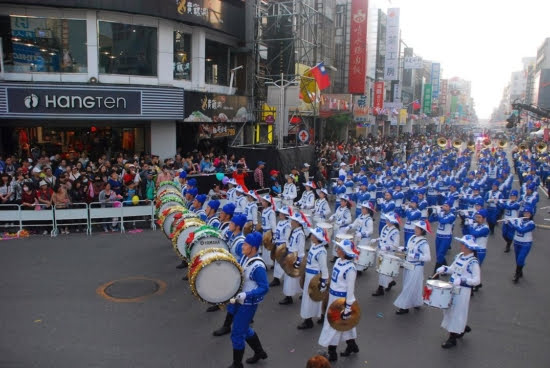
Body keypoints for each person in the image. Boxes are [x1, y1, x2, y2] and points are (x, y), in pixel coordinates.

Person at [226, 232, 269, 368]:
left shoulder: (258, 267)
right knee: (244, 330)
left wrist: (247, 294)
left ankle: (237, 364)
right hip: (239, 300)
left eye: (246, 245)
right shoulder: (245, 257)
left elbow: (264, 287)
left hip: (248, 304)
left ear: (254, 248)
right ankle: (259, 351)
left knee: (237, 333)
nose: (243, 246)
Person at [318, 239, 359, 363]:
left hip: (341, 301)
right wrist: (325, 286)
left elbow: (350, 291)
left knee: (333, 324)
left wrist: (347, 308)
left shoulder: (350, 268)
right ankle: (352, 345)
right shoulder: (338, 262)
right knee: (344, 325)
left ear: (345, 252)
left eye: (340, 248)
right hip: (332, 297)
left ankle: (332, 352)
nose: (337, 249)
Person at [436, 235, 481, 349]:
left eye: (463, 244)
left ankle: (452, 338)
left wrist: (463, 280)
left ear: (469, 247)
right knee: (448, 309)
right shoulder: (460, 256)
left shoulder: (473, 262)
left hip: (462, 291)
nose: (461, 245)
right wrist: (445, 269)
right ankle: (461, 327)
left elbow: (477, 281)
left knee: (456, 312)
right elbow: (453, 269)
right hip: (452, 287)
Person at [394, 220, 432, 314]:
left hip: (416, 267)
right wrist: (404, 249)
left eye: (418, 228)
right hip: (408, 264)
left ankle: (404, 307)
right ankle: (417, 302)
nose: (415, 229)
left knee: (409, 286)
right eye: (416, 227)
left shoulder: (424, 243)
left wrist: (417, 256)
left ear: (422, 230)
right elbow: (410, 249)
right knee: (414, 285)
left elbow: (428, 258)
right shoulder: (412, 237)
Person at [298, 226, 329, 329]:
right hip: (309, 275)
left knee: (313, 297)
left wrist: (323, 282)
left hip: (315, 277)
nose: (311, 236)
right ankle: (316, 316)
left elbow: (324, 269)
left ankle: (309, 320)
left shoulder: (322, 252)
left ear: (317, 237)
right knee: (309, 297)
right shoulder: (313, 246)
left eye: (313, 235)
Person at [279, 212, 307, 305]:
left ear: (297, 222)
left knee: (292, 278)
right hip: (290, 256)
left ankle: (289, 296)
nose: (291, 222)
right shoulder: (294, 231)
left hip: (294, 257)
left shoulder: (300, 234)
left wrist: (298, 261)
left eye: (293, 221)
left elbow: (301, 249)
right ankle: (292, 294)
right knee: (290, 278)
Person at [372, 213, 401, 296]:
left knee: (383, 271)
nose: (386, 220)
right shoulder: (385, 227)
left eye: (388, 219)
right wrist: (377, 239)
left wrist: (387, 247)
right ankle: (390, 282)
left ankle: (380, 289)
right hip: (381, 251)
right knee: (381, 270)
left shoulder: (395, 232)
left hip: (388, 254)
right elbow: (383, 237)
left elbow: (396, 245)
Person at [506, 206, 535, 283]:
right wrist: (508, 222)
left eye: (528, 213)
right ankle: (520, 270)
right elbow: (512, 227)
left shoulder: (531, 224)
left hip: (526, 243)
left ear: (531, 214)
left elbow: (522, 230)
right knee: (517, 259)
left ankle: (517, 274)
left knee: (520, 259)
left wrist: (513, 224)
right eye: (525, 213)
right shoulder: (518, 220)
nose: (526, 214)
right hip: (516, 242)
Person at [429, 200, 456, 273]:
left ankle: (435, 274)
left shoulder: (452, 216)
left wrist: (438, 214)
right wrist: (434, 213)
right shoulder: (441, 213)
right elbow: (430, 220)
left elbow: (443, 221)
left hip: (446, 237)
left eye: (446, 206)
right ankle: (446, 268)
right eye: (444, 205)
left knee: (440, 254)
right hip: (438, 236)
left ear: (450, 207)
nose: (444, 207)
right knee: (439, 255)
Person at [269, 205, 292, 287]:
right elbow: (277, 233)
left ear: (285, 215)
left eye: (281, 213)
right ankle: (276, 278)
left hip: (282, 246)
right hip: (277, 245)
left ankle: (278, 278)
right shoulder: (279, 222)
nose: (279, 214)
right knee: (277, 263)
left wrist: (286, 248)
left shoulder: (288, 225)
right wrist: (274, 240)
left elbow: (286, 238)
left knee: (280, 263)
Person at [328, 194, 352, 262]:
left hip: (342, 229)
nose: (341, 202)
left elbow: (349, 220)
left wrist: (342, 221)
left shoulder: (347, 211)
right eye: (341, 201)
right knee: (335, 242)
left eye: (342, 201)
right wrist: (332, 216)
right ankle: (335, 255)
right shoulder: (339, 208)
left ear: (346, 202)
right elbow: (336, 214)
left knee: (339, 242)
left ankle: (338, 256)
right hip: (336, 227)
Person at [259, 194, 276, 267]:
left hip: (269, 232)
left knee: (269, 248)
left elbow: (273, 224)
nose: (262, 202)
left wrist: (274, 234)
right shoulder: (264, 211)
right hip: (264, 231)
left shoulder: (271, 212)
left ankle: (270, 263)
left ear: (267, 202)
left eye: (263, 201)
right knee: (265, 248)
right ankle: (265, 262)